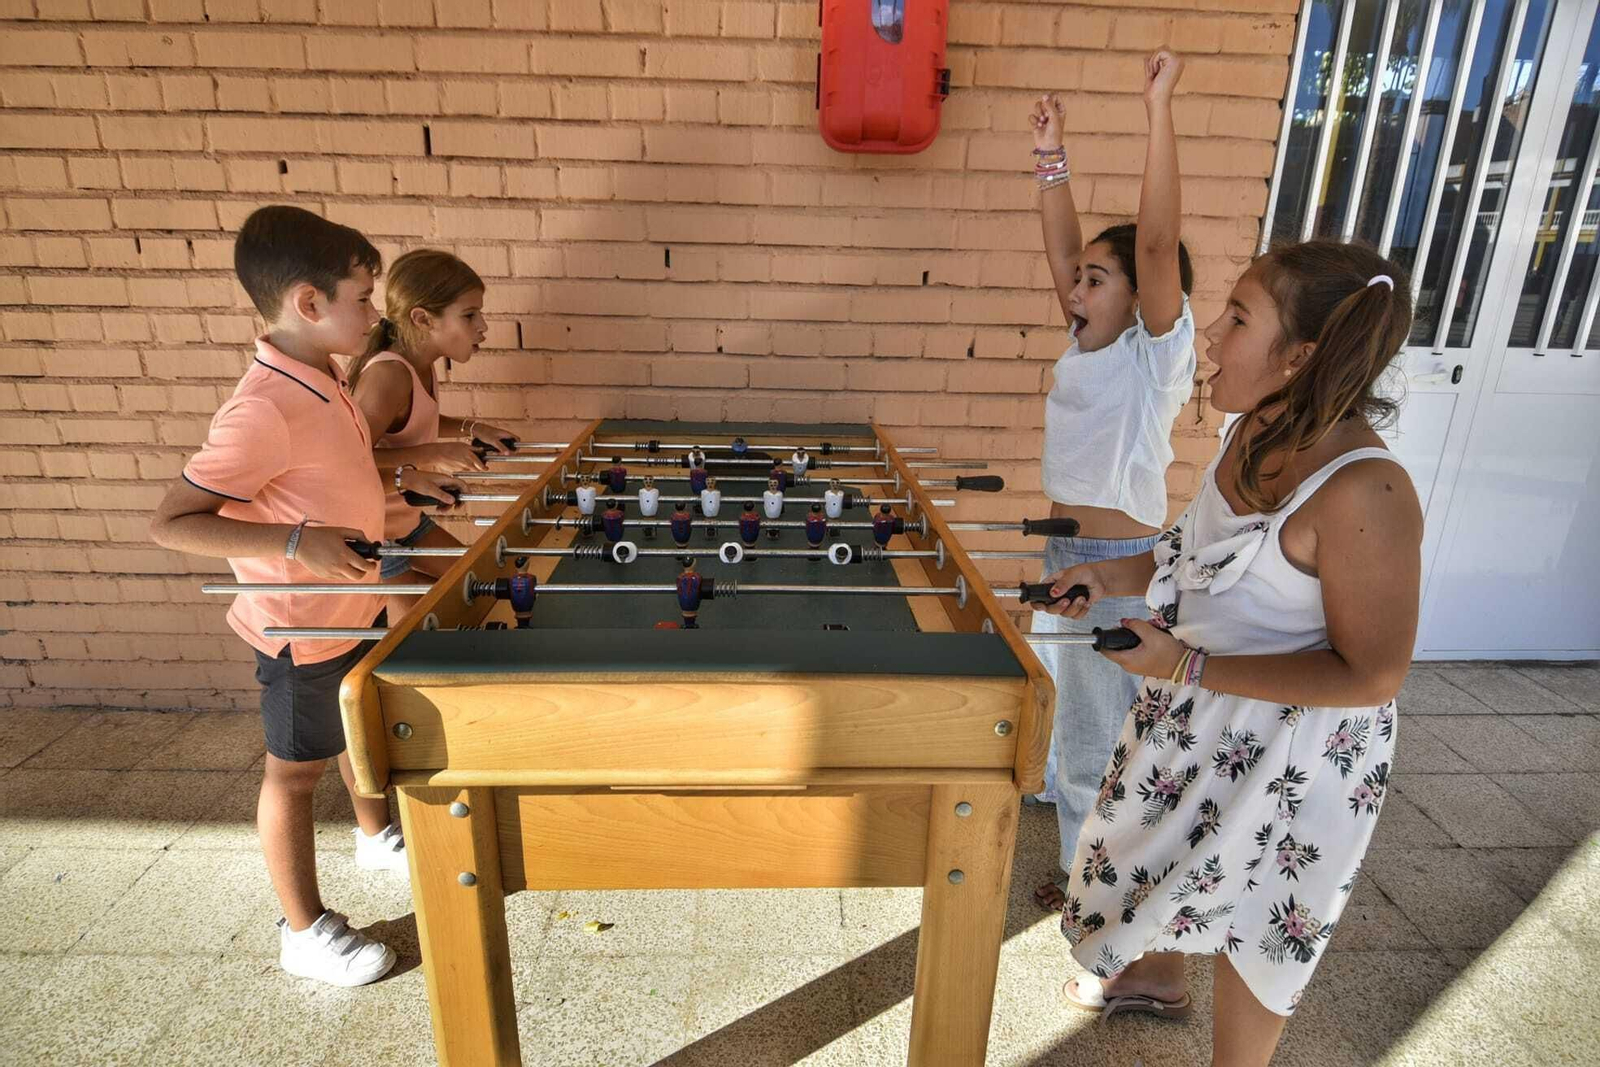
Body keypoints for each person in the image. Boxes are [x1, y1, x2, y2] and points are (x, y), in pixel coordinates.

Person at [1036, 239, 1423, 1067]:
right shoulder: (1254, 428)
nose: (1211, 332)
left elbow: (1373, 673)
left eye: (1239, 317)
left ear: (1302, 355)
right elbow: (1189, 548)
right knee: (1146, 862)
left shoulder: (1368, 492)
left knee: (1263, 922)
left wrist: (1185, 664)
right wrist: (1108, 573)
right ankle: (1159, 973)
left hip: (1297, 749)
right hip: (1197, 711)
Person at [149, 206, 461, 986]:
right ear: (308, 302)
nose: (373, 312)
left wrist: (405, 475)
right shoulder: (262, 406)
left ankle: (372, 834)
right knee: (292, 772)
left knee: (356, 730)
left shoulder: (324, 379)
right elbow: (173, 522)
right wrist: (295, 542)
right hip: (299, 622)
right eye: (363, 296)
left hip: (346, 601)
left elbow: (332, 475)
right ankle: (304, 930)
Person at [1027, 50, 1198, 913]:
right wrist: (1052, 160)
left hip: (1120, 565)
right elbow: (1063, 249)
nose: (1073, 288)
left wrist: (1156, 109)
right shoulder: (1087, 345)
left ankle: (1103, 906)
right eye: (1079, 279)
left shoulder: (1152, 358)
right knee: (1071, 734)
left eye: (1096, 280)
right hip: (1071, 556)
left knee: (1106, 744)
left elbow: (1158, 242)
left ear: (1143, 300)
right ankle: (1082, 873)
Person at [345, 248, 517, 621]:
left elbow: (414, 420)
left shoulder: (418, 365)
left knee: (482, 582)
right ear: (423, 318)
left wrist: (475, 428)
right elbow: (347, 462)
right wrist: (429, 456)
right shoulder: (388, 375)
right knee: (423, 639)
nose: (483, 326)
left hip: (405, 520)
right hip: (375, 536)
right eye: (470, 315)